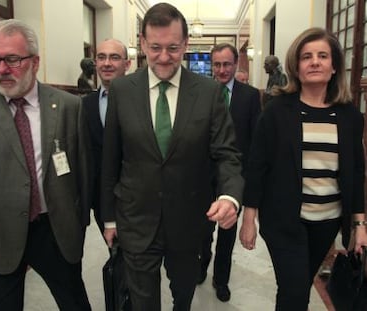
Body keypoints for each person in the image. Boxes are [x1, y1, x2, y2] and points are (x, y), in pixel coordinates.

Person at [100, 3, 244, 311]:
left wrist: (230, 197)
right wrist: (109, 218)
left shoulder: (207, 92)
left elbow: (226, 153)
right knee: (142, 301)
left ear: (186, 44)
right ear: (141, 43)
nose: (164, 57)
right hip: (136, 218)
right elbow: (110, 159)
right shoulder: (122, 90)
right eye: (155, 47)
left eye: (173, 48)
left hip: (189, 221)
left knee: (184, 294)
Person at [0, 19, 93, 311]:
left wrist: (81, 220)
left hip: (55, 229)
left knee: (75, 304)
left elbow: (83, 170)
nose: (2, 69)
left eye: (13, 59)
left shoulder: (68, 106)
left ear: (35, 61)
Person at [239, 27, 367, 311]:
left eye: (323, 56)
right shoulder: (276, 111)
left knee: (297, 286)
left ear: (334, 66)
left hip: (328, 221)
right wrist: (249, 219)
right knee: (295, 292)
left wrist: (359, 225)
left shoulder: (349, 116)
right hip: (284, 221)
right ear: (296, 66)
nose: (315, 61)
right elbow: (257, 165)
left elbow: (356, 173)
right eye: (306, 56)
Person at [198, 43, 261, 302]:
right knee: (202, 230)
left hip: (234, 177)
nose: (222, 70)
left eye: (227, 64)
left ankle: (221, 279)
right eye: (217, 64)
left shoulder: (250, 96)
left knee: (227, 231)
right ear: (211, 66)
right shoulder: (201, 93)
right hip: (203, 175)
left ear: (236, 65)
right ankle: (202, 264)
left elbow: (256, 138)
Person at [82, 39, 130, 234]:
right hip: (101, 197)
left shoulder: (142, 102)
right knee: (115, 252)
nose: (107, 63)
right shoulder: (85, 105)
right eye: (101, 57)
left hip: (137, 198)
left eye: (114, 57)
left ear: (127, 64)